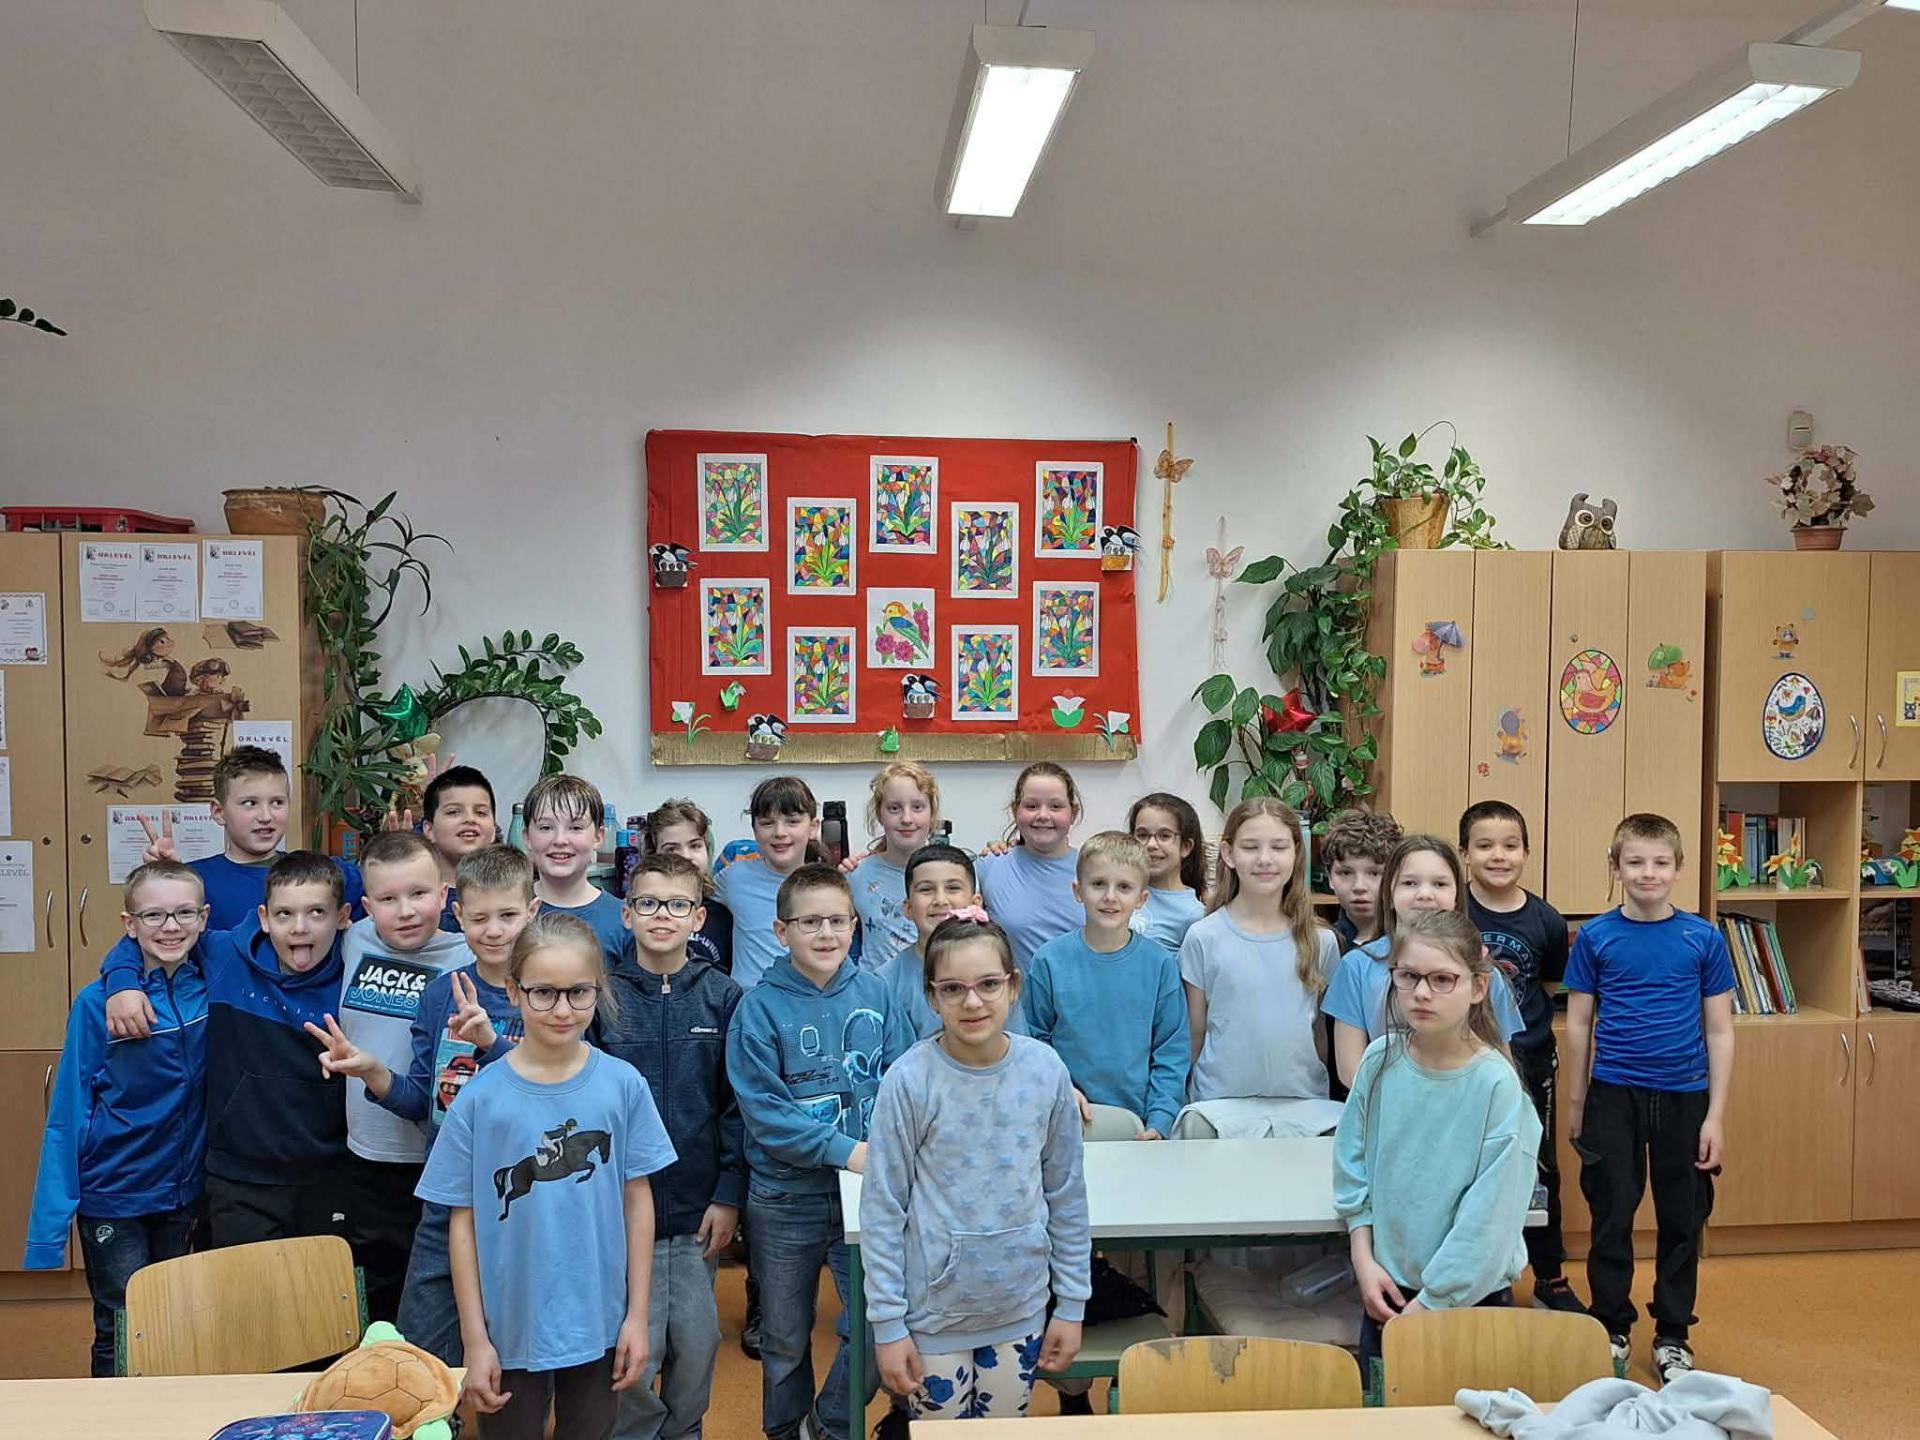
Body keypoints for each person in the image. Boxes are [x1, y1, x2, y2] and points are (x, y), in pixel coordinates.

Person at [418, 912, 678, 1440]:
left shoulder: (623, 1085)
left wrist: (637, 1316)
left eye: (579, 993)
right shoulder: (479, 1098)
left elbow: (638, 1202)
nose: (562, 1010)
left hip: (600, 1325)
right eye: (543, 993)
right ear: (515, 991)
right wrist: (475, 1339)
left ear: (598, 991)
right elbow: (461, 1223)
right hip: (508, 1329)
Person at [308, 844, 537, 1364]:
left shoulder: (547, 990)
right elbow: (420, 1100)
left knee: (519, 1348)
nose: (494, 931)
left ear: (532, 911)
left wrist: (491, 1045)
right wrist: (370, 1069)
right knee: (421, 1343)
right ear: (461, 914)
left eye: (507, 916)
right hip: (446, 1191)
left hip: (524, 1192)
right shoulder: (439, 994)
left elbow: (558, 1089)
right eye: (479, 918)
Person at [862, 914, 1090, 1422]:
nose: (972, 1002)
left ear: (1013, 986)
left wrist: (1072, 1304)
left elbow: (1067, 1196)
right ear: (931, 996)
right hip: (933, 1316)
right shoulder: (909, 1081)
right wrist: (889, 1325)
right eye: (953, 988)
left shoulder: (1046, 1072)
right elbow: (882, 1209)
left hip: (1020, 1308)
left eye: (989, 984)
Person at [727, 865, 909, 1440]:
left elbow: (904, 1080)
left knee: (878, 1325)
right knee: (783, 1336)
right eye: (810, 922)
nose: (826, 933)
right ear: (782, 931)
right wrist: (847, 1151)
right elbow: (766, 1114)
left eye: (837, 921)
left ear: (855, 925)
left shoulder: (877, 993)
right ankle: (784, 1432)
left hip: (869, 1196)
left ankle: (826, 1429)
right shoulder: (757, 1009)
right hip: (786, 1200)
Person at [1333, 909, 1543, 1390]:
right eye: (1408, 976)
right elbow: (1352, 1164)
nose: (1422, 993)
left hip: (1470, 1300)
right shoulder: (1379, 1060)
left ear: (1478, 986)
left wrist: (1432, 1302)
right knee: (1386, 1417)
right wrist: (1364, 1260)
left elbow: (1489, 1220)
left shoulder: (1496, 1086)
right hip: (1387, 1291)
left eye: (1442, 979)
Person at [104, 851, 354, 1247]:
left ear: (342, 917)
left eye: (316, 913)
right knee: (245, 1287)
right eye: (284, 914)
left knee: (320, 1286)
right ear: (264, 917)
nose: (299, 928)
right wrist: (122, 982)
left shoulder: (355, 971)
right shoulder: (227, 957)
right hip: (238, 1178)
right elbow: (155, 937)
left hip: (329, 1175)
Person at [1564, 813, 1735, 1385]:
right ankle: (1611, 1324)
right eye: (1635, 862)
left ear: (1679, 869)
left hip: (1685, 1096)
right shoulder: (1595, 937)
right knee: (1611, 1211)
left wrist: (1715, 1116)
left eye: (1661, 862)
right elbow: (1579, 1024)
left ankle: (1673, 1334)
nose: (1648, 873)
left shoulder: (1702, 938)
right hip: (1613, 1093)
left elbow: (1719, 1031)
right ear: (1615, 867)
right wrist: (1576, 1104)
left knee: (1682, 1217)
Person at [27, 862, 208, 1374]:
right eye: (153, 915)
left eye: (184, 913)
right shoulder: (98, 1003)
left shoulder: (212, 988)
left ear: (203, 918)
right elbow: (68, 1113)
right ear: (129, 924)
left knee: (178, 1323)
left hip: (186, 1193)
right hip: (115, 1195)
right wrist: (48, 1230)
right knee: (122, 1323)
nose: (170, 926)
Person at [595, 852, 746, 1440]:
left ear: (699, 918)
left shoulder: (723, 997)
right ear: (627, 914)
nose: (663, 915)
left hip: (695, 1209)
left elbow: (736, 1106)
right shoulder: (602, 995)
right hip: (618, 1209)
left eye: (678, 904)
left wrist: (729, 1192)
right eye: (649, 903)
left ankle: (684, 1430)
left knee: (697, 1341)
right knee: (632, 1349)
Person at [332, 830, 474, 1323]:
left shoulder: (468, 953)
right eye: (389, 899)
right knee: (377, 1297)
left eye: (418, 893)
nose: (406, 910)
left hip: (441, 1159)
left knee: (440, 1297)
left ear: (444, 895)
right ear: (366, 906)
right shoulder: (355, 938)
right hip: (367, 1156)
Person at [1458, 800, 1580, 1314]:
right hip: (1462, 1061)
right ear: (1464, 853)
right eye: (1484, 845)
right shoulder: (1455, 913)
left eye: (1510, 846)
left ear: (1527, 852)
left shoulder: (1545, 919)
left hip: (1529, 1060)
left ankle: (1550, 1277)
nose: (1498, 856)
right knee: (1467, 1167)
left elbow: (1549, 987)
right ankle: (1472, 1275)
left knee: (1539, 1165)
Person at [1325, 836, 1526, 1089]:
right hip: (1385, 1104)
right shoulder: (1356, 966)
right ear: (1389, 894)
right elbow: (1351, 1070)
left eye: (1440, 884)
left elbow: (1502, 1066)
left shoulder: (1483, 971)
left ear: (1456, 896)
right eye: (1409, 883)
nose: (1425, 894)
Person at [1023, 832, 1186, 1142]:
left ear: (1142, 899)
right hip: (1064, 1117)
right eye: (1098, 884)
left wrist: (1160, 1118)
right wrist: (1060, 1088)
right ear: (1078, 891)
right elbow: (1033, 1040)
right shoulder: (1049, 961)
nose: (1110, 897)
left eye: (1124, 887)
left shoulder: (1160, 965)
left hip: (1139, 1126)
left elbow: (1171, 1050)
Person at [1181, 798, 1340, 1104]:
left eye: (1278, 847)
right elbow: (1194, 1035)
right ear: (1228, 854)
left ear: (1297, 853)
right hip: (1219, 1105)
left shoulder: (1322, 941)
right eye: (1250, 847)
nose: (1265, 859)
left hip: (1303, 1104)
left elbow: (1319, 1033)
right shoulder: (1203, 938)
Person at [136, 745, 364, 929]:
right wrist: (169, 882)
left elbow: (380, 899)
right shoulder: (197, 881)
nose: (266, 816)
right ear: (218, 811)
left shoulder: (323, 874)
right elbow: (147, 941)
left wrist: (390, 852)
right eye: (250, 803)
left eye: (277, 802)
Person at [880, 843, 1022, 1043]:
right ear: (908, 908)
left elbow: (1017, 1046)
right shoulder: (885, 982)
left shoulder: (995, 970)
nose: (940, 900)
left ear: (976, 903)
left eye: (953, 888)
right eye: (926, 889)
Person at [716, 776, 824, 992]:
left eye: (792, 821)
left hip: (806, 999)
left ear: (813, 827)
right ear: (754, 830)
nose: (780, 832)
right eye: (767, 823)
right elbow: (690, 890)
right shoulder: (734, 877)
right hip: (748, 1002)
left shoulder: (827, 885)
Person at [976, 762, 1085, 971]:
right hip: (1014, 992)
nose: (1043, 815)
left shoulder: (1093, 870)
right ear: (1015, 810)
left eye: (1055, 806)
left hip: (1081, 992)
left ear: (1073, 813)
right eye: (1031, 806)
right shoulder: (988, 866)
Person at [524, 774, 627, 967]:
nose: (560, 840)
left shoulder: (623, 919)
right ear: (527, 837)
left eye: (576, 827)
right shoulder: (507, 911)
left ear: (598, 837)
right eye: (545, 827)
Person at [848, 761, 942, 971]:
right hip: (876, 988)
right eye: (894, 808)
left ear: (931, 813)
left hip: (936, 986)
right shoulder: (856, 875)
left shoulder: (956, 872)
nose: (906, 818)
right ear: (880, 814)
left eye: (917, 807)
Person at [644, 797, 733, 976]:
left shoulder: (724, 914)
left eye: (695, 846)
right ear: (653, 855)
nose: (686, 856)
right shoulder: (644, 912)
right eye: (671, 849)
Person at [419, 764, 502, 930]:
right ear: (429, 830)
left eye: (480, 812)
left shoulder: (511, 892)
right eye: (453, 812)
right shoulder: (414, 896)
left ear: (494, 829)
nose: (470, 819)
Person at [1128, 792, 1208, 952]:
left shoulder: (1193, 914)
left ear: (1185, 847)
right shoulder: (1118, 890)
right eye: (1142, 835)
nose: (1151, 845)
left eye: (1164, 836)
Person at [1323, 809, 1402, 952]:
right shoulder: (1321, 946)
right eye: (1346, 873)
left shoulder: (1412, 944)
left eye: (1374, 873)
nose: (1359, 886)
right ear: (1330, 877)